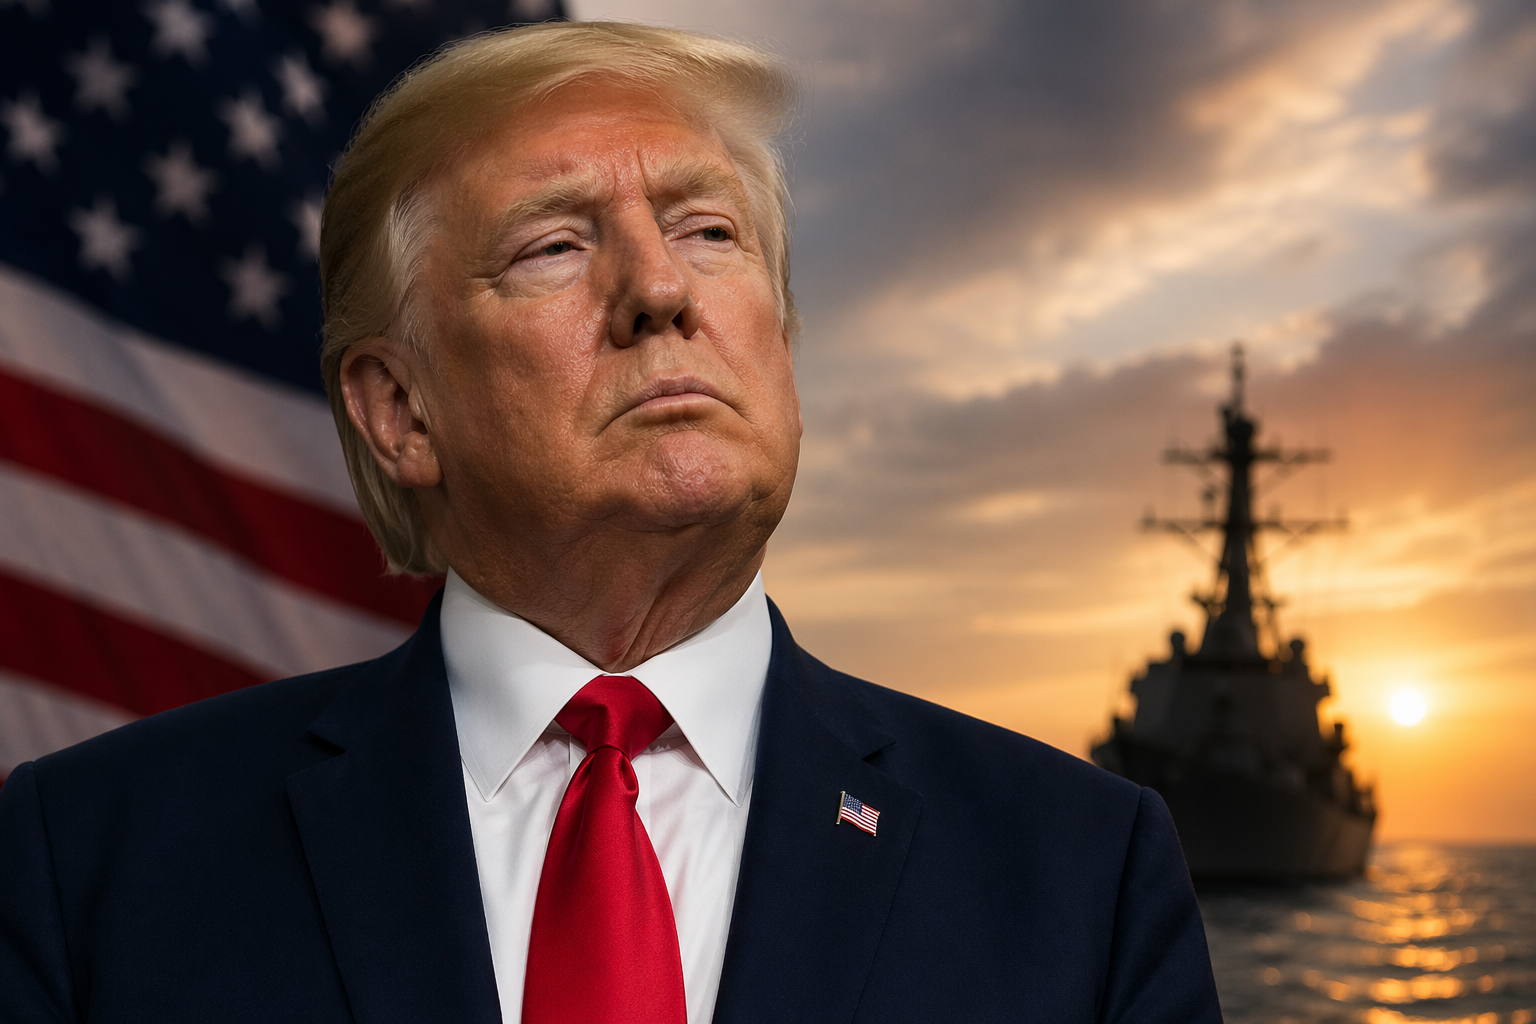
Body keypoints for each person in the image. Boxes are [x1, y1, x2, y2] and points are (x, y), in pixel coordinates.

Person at [0, 22, 1222, 1024]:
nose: (659, 289)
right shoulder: (87, 861)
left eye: (709, 231)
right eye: (553, 245)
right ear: (399, 410)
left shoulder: (1083, 871)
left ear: (783, 349)